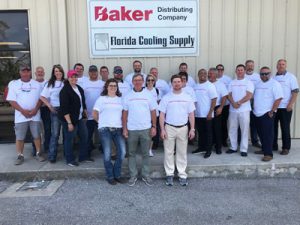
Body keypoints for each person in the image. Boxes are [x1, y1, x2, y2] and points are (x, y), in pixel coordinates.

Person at [159, 74, 195, 186]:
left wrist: (192, 129)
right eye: (174, 82)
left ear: (183, 83)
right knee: (168, 152)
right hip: (169, 127)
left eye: (179, 81)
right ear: (172, 83)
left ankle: (182, 174)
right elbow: (161, 115)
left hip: (183, 128)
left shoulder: (187, 97)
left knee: (182, 152)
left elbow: (191, 114)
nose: (177, 83)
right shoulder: (166, 97)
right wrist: (162, 129)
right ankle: (169, 174)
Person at [6, 65, 46, 165]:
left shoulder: (37, 84)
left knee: (37, 135)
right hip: (20, 116)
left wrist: (36, 109)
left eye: (28, 71)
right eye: (23, 71)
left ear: (30, 72)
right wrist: (22, 111)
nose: (26, 73)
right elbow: (11, 100)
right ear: (20, 72)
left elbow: (41, 99)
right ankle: (20, 156)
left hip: (35, 114)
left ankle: (38, 153)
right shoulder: (14, 85)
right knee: (20, 137)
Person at [122, 74, 157, 187]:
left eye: (140, 80)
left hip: (146, 128)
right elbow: (124, 114)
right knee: (131, 153)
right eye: (135, 80)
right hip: (132, 129)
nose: (137, 82)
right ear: (132, 82)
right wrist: (125, 129)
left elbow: (153, 111)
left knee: (145, 153)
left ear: (143, 81)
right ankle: (133, 175)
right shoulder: (127, 96)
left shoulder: (148, 95)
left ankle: (146, 175)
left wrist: (154, 126)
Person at [93, 79, 127, 185]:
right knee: (107, 154)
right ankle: (110, 176)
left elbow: (124, 114)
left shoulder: (121, 99)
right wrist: (101, 123)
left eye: (115, 86)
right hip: (105, 129)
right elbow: (94, 114)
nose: (113, 87)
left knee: (122, 152)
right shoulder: (101, 99)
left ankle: (117, 174)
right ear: (107, 87)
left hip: (118, 129)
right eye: (110, 85)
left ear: (117, 88)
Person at [58, 70, 89, 166]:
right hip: (69, 119)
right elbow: (64, 108)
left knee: (84, 136)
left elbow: (82, 102)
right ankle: (69, 160)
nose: (74, 78)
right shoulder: (65, 91)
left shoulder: (79, 88)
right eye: (72, 77)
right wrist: (69, 123)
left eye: (75, 77)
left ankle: (83, 157)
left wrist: (85, 112)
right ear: (68, 78)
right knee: (69, 139)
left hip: (79, 118)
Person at [253, 66, 283, 161]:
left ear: (270, 74)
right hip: (257, 113)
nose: (264, 75)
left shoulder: (275, 84)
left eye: (266, 73)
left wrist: (272, 111)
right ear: (260, 75)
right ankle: (264, 149)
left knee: (267, 134)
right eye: (262, 74)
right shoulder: (257, 84)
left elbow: (278, 98)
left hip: (267, 113)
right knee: (260, 133)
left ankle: (268, 154)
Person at [227, 64, 254, 157]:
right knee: (232, 129)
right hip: (233, 110)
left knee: (244, 130)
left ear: (245, 71)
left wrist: (238, 103)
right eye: (238, 70)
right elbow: (229, 94)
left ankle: (243, 149)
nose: (239, 71)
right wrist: (233, 103)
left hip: (244, 110)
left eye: (241, 70)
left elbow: (249, 95)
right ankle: (233, 147)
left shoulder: (248, 82)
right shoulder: (232, 82)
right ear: (236, 71)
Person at [273, 59, 299, 155]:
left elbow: (295, 91)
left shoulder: (291, 77)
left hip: (285, 107)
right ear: (276, 66)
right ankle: (273, 145)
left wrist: (290, 104)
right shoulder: (273, 77)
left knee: (285, 128)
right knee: (273, 127)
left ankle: (286, 148)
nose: (281, 66)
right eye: (279, 64)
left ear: (286, 66)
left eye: (283, 64)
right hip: (274, 107)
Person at [40, 65, 65, 163]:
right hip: (55, 111)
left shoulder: (66, 82)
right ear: (53, 73)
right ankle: (52, 156)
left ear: (62, 72)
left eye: (59, 71)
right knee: (55, 134)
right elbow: (42, 97)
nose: (58, 73)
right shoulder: (50, 83)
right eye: (56, 71)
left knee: (67, 134)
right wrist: (49, 106)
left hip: (66, 110)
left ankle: (67, 155)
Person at [193, 69, 217, 158]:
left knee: (208, 133)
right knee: (200, 132)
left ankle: (208, 150)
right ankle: (201, 147)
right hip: (197, 114)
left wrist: (210, 113)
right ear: (198, 75)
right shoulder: (195, 86)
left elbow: (214, 99)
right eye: (200, 73)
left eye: (204, 73)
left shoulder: (210, 86)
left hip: (207, 114)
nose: (202, 75)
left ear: (206, 75)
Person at [82, 65, 104, 160]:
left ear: (98, 72)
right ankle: (87, 155)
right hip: (89, 115)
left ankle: (105, 151)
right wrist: (83, 109)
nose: (93, 73)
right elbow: (81, 98)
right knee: (88, 136)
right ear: (89, 73)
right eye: (91, 71)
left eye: (95, 71)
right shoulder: (84, 83)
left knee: (103, 135)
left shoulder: (102, 83)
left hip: (101, 115)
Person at [208, 68, 228, 154]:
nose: (209, 75)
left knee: (217, 128)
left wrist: (221, 108)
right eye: (209, 73)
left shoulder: (220, 84)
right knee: (209, 128)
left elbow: (224, 96)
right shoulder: (206, 84)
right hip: (207, 109)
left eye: (211, 73)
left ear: (216, 75)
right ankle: (209, 145)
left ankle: (218, 147)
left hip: (217, 108)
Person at [32, 66, 51, 156]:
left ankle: (47, 147)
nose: (40, 73)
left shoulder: (48, 83)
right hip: (35, 108)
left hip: (46, 109)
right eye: (38, 72)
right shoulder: (31, 83)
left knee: (47, 129)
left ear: (44, 73)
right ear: (35, 73)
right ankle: (35, 148)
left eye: (41, 72)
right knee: (35, 129)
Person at [245, 60, 261, 148]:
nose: (250, 67)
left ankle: (255, 141)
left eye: (252, 65)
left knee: (254, 122)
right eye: (248, 65)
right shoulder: (242, 75)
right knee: (243, 122)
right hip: (245, 102)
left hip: (255, 102)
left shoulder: (258, 76)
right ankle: (240, 141)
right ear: (245, 66)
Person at [145, 74, 162, 156]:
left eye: (152, 80)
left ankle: (149, 150)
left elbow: (159, 102)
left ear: (154, 82)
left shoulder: (157, 91)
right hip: (145, 115)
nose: (150, 82)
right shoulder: (143, 90)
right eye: (148, 80)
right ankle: (145, 149)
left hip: (155, 115)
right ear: (146, 81)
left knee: (152, 132)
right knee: (145, 133)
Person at [216, 64, 232, 147]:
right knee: (216, 124)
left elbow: (229, 93)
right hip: (216, 105)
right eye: (218, 69)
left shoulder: (228, 79)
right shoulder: (212, 79)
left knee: (224, 124)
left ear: (223, 70)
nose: (220, 71)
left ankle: (224, 140)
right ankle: (216, 140)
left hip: (225, 105)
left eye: (221, 69)